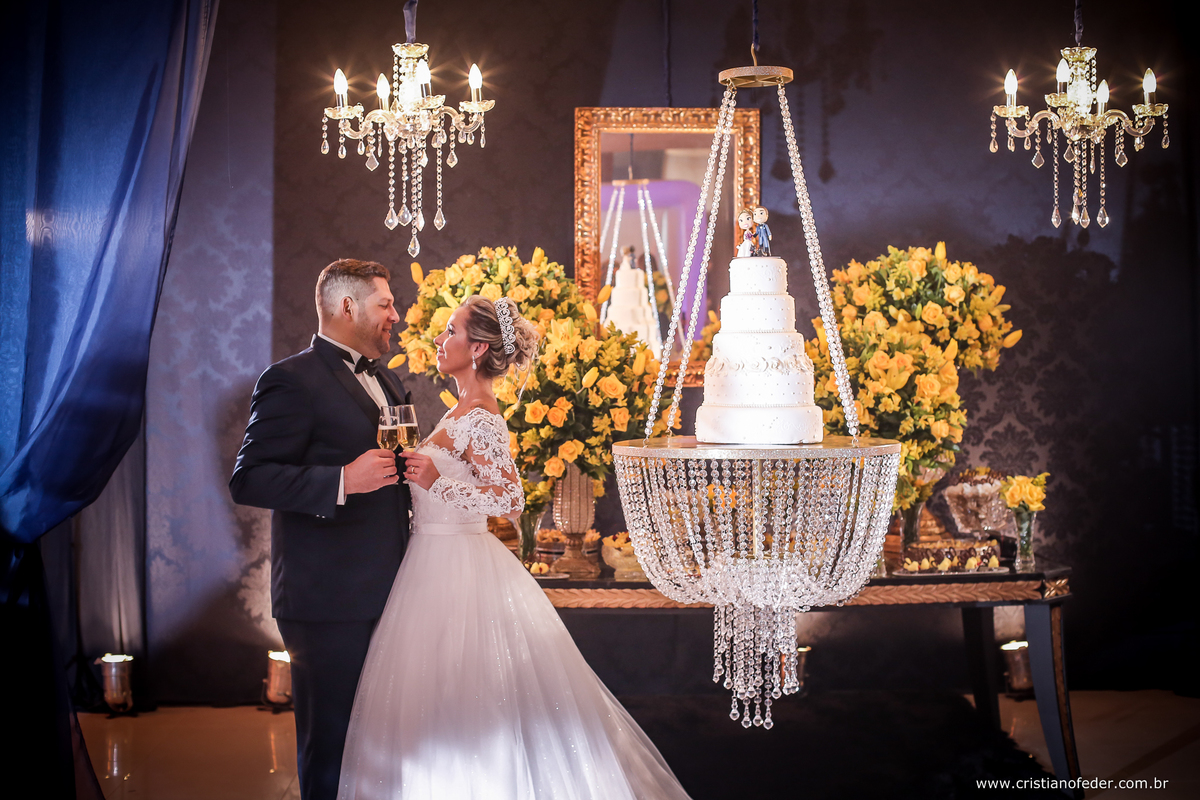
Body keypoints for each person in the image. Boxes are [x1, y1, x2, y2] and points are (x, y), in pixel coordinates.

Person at [336, 295, 691, 800]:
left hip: (458, 567)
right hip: (428, 562)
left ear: (478, 348)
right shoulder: (457, 409)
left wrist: (436, 481)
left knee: (467, 696)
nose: (439, 339)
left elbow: (509, 499)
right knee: (433, 700)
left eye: (451, 331)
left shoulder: (482, 416)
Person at [229, 259, 411, 800]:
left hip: (391, 592)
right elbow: (249, 479)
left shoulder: (388, 379)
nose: (396, 316)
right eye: (385, 304)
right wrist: (343, 480)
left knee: (384, 744)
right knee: (330, 747)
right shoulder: (290, 380)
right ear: (347, 307)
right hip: (327, 601)